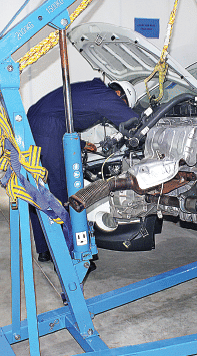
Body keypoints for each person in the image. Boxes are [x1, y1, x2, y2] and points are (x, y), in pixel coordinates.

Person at [27, 78, 139, 263]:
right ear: (120, 94)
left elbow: (61, 116)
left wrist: (82, 144)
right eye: (123, 103)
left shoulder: (91, 90)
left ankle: (44, 249)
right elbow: (134, 123)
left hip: (36, 123)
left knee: (38, 188)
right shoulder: (106, 96)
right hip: (48, 128)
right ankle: (67, 255)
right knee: (58, 189)